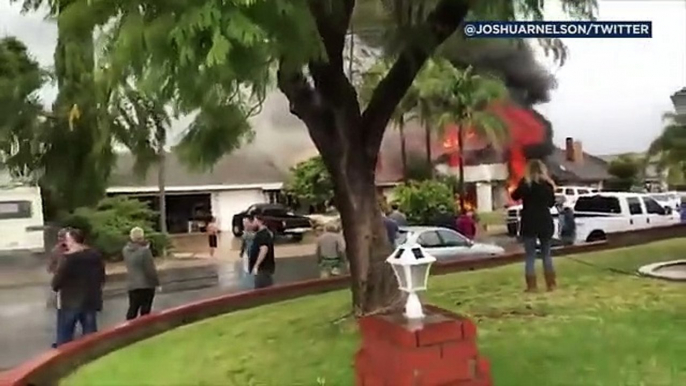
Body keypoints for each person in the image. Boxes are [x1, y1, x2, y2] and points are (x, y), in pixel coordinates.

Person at [52, 228, 105, 346]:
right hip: (90, 298)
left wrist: (55, 286)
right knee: (90, 333)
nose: (65, 242)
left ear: (73, 240)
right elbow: (101, 275)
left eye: (67, 239)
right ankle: (91, 354)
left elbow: (58, 279)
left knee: (65, 334)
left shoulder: (68, 259)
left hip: (71, 301)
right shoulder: (95, 255)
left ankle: (64, 355)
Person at [511, 159, 557, 292]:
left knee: (530, 255)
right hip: (544, 221)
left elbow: (514, 196)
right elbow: (551, 203)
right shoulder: (547, 185)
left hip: (529, 222)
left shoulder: (525, 184)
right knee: (546, 254)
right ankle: (551, 284)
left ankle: (531, 286)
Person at [123, 227, 160, 320]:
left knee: (132, 309)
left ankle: (128, 329)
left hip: (132, 284)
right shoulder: (145, 251)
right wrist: (156, 283)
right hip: (146, 285)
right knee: (145, 311)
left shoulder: (126, 250)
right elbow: (149, 269)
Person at [47, 228, 68, 348]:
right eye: (60, 237)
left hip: (67, 283)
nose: (61, 240)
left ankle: (62, 339)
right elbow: (50, 266)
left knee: (67, 312)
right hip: (61, 284)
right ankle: (62, 339)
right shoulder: (56, 250)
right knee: (62, 312)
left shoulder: (69, 249)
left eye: (63, 237)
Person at [248, 214, 276, 289]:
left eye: (254, 220)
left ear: (259, 221)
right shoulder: (265, 233)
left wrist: (256, 265)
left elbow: (264, 249)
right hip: (265, 269)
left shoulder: (262, 234)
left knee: (261, 291)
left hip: (263, 269)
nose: (253, 223)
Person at [239, 216, 255, 289]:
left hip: (252, 252)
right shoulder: (246, 233)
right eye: (243, 223)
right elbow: (243, 243)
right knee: (247, 268)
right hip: (248, 252)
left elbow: (244, 243)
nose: (244, 224)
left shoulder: (249, 233)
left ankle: (250, 283)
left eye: (245, 222)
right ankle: (248, 283)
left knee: (250, 268)